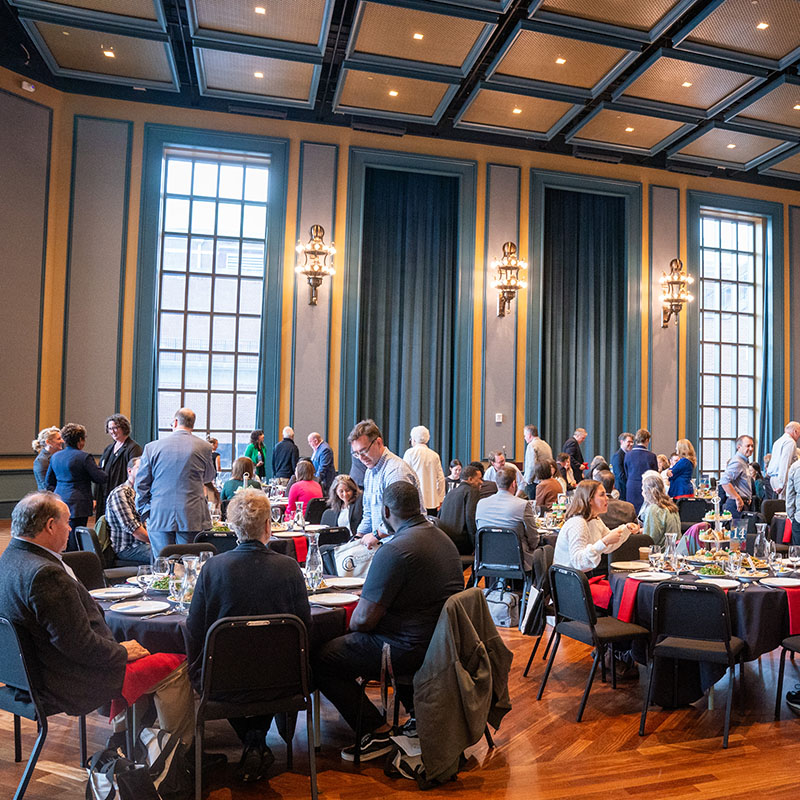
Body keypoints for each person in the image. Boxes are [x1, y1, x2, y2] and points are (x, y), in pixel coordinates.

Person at [0, 492, 194, 744]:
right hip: (68, 680)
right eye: (66, 522)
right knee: (176, 665)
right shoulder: (45, 574)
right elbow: (79, 646)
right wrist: (122, 652)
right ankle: (177, 756)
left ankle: (125, 740)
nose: (70, 528)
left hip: (24, 676)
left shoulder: (9, 560)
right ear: (49, 525)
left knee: (145, 654)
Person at [313, 481, 464, 761]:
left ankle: (375, 730)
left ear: (384, 511)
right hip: (441, 644)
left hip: (405, 649)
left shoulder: (395, 550)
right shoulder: (442, 539)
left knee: (323, 658)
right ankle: (415, 716)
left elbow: (362, 622)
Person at [186, 488, 311, 782]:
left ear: (231, 528)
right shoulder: (290, 568)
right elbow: (306, 630)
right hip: (285, 680)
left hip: (224, 682)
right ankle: (256, 741)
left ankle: (252, 741)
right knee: (263, 666)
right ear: (269, 526)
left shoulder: (213, 569)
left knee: (227, 669)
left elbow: (195, 631)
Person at [135, 408, 215, 557]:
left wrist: (145, 511)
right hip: (192, 515)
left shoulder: (152, 447)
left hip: (159, 513)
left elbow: (141, 485)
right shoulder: (204, 447)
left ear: (176, 422)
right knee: (188, 564)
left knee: (162, 563)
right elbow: (209, 476)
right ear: (192, 425)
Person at [349, 419, 423, 549]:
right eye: (356, 454)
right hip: (384, 545)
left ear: (378, 442)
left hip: (403, 546)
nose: (361, 458)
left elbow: (400, 519)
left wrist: (376, 535)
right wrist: (358, 538)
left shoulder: (396, 471)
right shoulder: (369, 472)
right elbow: (368, 514)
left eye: (364, 451)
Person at [45, 422, 107, 550]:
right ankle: (75, 562)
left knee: (63, 533)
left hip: (60, 499)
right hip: (79, 502)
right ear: (80, 440)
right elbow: (100, 478)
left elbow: (49, 482)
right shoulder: (84, 457)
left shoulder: (55, 456)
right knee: (76, 537)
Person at [553, 480, 638, 572]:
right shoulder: (578, 523)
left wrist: (626, 529)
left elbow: (609, 543)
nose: (607, 498)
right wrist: (604, 542)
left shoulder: (595, 520)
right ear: (590, 500)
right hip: (570, 581)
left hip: (581, 577)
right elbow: (578, 562)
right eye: (602, 495)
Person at [475, 464, 539, 571]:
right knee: (544, 552)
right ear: (514, 484)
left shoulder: (481, 503)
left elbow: (479, 529)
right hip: (516, 560)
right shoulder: (522, 505)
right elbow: (533, 538)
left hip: (486, 559)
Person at [95, 414, 143, 519]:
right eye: (110, 428)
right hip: (105, 493)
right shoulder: (109, 449)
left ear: (124, 428)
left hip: (121, 496)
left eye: (116, 428)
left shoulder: (133, 448)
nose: (113, 431)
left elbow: (135, 473)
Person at [105, 457, 151, 564]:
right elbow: (134, 530)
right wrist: (158, 542)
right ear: (129, 471)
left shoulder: (143, 493)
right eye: (141, 467)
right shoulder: (121, 493)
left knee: (174, 550)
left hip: (143, 544)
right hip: (128, 548)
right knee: (165, 554)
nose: (145, 471)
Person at [437, 464, 481, 555]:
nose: (481, 482)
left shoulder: (451, 493)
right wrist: (476, 544)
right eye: (479, 479)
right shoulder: (472, 491)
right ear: (470, 479)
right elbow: (470, 517)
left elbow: (439, 516)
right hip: (461, 543)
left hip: (446, 541)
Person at [402, 425, 446, 514]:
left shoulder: (410, 453)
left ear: (413, 439)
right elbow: (441, 479)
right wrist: (440, 498)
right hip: (432, 501)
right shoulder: (434, 455)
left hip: (414, 501)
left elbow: (404, 475)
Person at [640, 473, 681, 547]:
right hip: (675, 548)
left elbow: (650, 539)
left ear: (648, 491)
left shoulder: (653, 509)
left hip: (660, 552)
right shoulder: (671, 506)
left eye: (643, 490)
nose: (642, 493)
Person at [624, 428, 659, 515]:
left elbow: (626, 471)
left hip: (631, 485)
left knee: (631, 511)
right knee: (645, 511)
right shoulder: (651, 456)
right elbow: (655, 474)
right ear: (647, 440)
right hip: (646, 487)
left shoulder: (628, 455)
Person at [720, 435, 755, 519]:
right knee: (736, 531)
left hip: (742, 504)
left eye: (752, 446)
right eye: (748, 446)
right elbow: (724, 481)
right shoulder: (738, 462)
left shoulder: (744, 462)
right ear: (739, 447)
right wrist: (737, 498)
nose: (751, 449)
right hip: (736, 505)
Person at [766, 421, 800, 499]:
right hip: (782, 478)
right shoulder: (790, 442)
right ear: (795, 431)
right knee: (784, 507)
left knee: (778, 506)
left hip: (773, 478)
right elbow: (785, 463)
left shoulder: (777, 441)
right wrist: (782, 484)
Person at [523, 425, 552, 499]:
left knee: (535, 506)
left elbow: (531, 466)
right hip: (547, 481)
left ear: (529, 435)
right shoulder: (546, 445)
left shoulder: (531, 445)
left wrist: (527, 481)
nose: (524, 438)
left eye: (525, 435)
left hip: (535, 482)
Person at [32, 426, 63, 491]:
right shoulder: (41, 460)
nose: (62, 441)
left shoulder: (59, 456)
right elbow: (46, 486)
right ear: (48, 442)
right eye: (59, 439)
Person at [610, 432, 633, 501]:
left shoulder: (628, 455)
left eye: (632, 442)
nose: (631, 444)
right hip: (622, 490)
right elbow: (620, 475)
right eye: (628, 442)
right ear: (622, 442)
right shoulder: (618, 456)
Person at [785, 459, 800, 546]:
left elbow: (790, 496)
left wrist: (792, 517)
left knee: (798, 556)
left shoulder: (796, 467)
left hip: (799, 519)